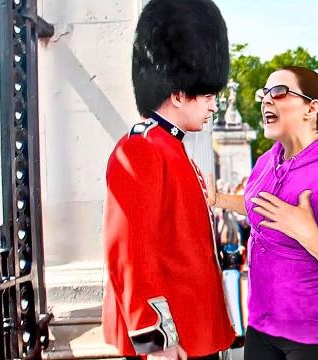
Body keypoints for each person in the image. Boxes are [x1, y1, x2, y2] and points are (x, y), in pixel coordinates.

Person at [208, 66, 318, 360]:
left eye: (278, 92)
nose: (265, 100)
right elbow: (259, 207)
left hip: (312, 341)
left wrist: (309, 235)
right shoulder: (266, 160)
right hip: (260, 330)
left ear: (311, 108)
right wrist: (218, 199)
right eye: (264, 93)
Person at [101, 1, 235, 359]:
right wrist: (155, 338)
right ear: (178, 93)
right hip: (171, 338)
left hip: (194, 328)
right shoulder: (140, 149)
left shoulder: (172, 148)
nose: (212, 106)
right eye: (207, 95)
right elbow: (129, 252)